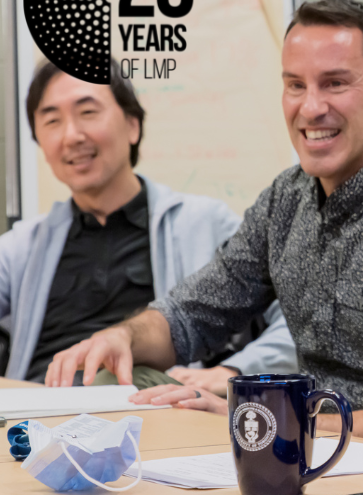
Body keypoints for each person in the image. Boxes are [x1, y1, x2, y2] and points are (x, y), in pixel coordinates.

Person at [47, 0, 363, 448]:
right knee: (126, 383)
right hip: (300, 449)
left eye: (334, 83)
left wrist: (257, 419)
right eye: (295, 85)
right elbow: (194, 314)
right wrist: (121, 336)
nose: (310, 108)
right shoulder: (286, 200)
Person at [0, 60, 297, 386]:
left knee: (109, 380)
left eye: (87, 112)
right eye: (52, 120)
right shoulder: (21, 246)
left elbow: (299, 320)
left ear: (132, 126)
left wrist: (235, 372)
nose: (71, 135)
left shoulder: (204, 223)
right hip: (35, 413)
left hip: (149, 407)